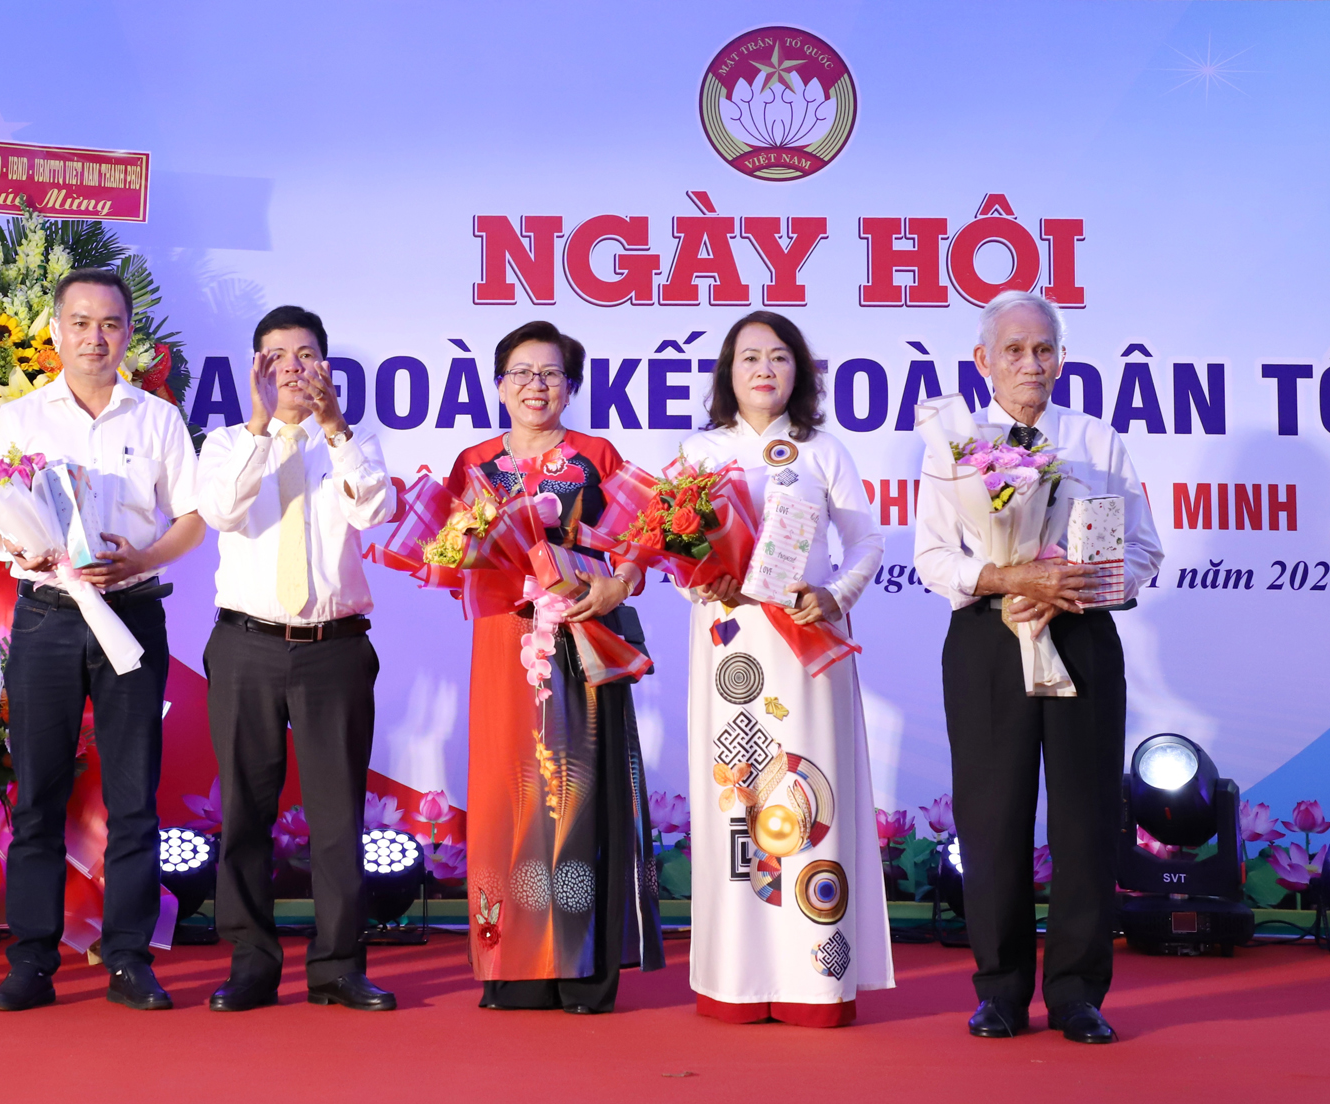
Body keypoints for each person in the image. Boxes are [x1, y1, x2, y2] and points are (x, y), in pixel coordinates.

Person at [914, 290, 1163, 1044]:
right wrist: (1009, 581)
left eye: (1045, 348)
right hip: (988, 640)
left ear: (1062, 358)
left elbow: (1145, 552)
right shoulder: (950, 442)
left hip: (1081, 634)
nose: (1032, 363)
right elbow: (932, 557)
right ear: (983, 360)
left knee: (1087, 818)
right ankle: (1000, 991)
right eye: (1015, 350)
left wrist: (1074, 586)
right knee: (991, 821)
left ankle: (1079, 991)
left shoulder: (1099, 441)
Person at [0, 268, 204, 1013]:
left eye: (109, 324)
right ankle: (32, 959)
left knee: (133, 794)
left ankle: (130, 956)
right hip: (46, 614)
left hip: (133, 611)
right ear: (54, 330)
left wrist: (143, 559)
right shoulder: (18, 418)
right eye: (79, 323)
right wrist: (24, 548)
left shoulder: (158, 419)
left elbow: (193, 517)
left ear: (129, 334)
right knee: (37, 793)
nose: (94, 338)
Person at [679, 311, 893, 1026]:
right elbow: (672, 550)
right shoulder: (699, 451)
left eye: (778, 357)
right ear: (727, 372)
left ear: (798, 370)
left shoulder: (824, 451)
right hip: (730, 646)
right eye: (748, 358)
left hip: (807, 645)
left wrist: (833, 594)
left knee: (808, 797)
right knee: (736, 800)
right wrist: (696, 582)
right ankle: (736, 977)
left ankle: (813, 981)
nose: (764, 369)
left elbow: (866, 542)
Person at [447, 321, 663, 1014]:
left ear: (570, 386)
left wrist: (617, 581)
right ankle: (514, 961)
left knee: (578, 795)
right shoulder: (474, 462)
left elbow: (637, 543)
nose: (536, 386)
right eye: (521, 373)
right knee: (507, 797)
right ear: (499, 384)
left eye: (551, 374)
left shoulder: (597, 456)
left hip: (581, 639)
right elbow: (453, 558)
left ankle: (580, 962)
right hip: (504, 647)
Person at [195, 306, 399, 1012]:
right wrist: (260, 424)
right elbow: (220, 511)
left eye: (305, 353)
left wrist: (337, 428)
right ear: (257, 366)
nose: (291, 366)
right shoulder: (226, 442)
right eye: (276, 354)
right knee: (245, 813)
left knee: (339, 817)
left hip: (333, 650)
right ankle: (251, 962)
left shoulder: (354, 441)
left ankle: (339, 965)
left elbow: (375, 511)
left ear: (326, 366)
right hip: (246, 645)